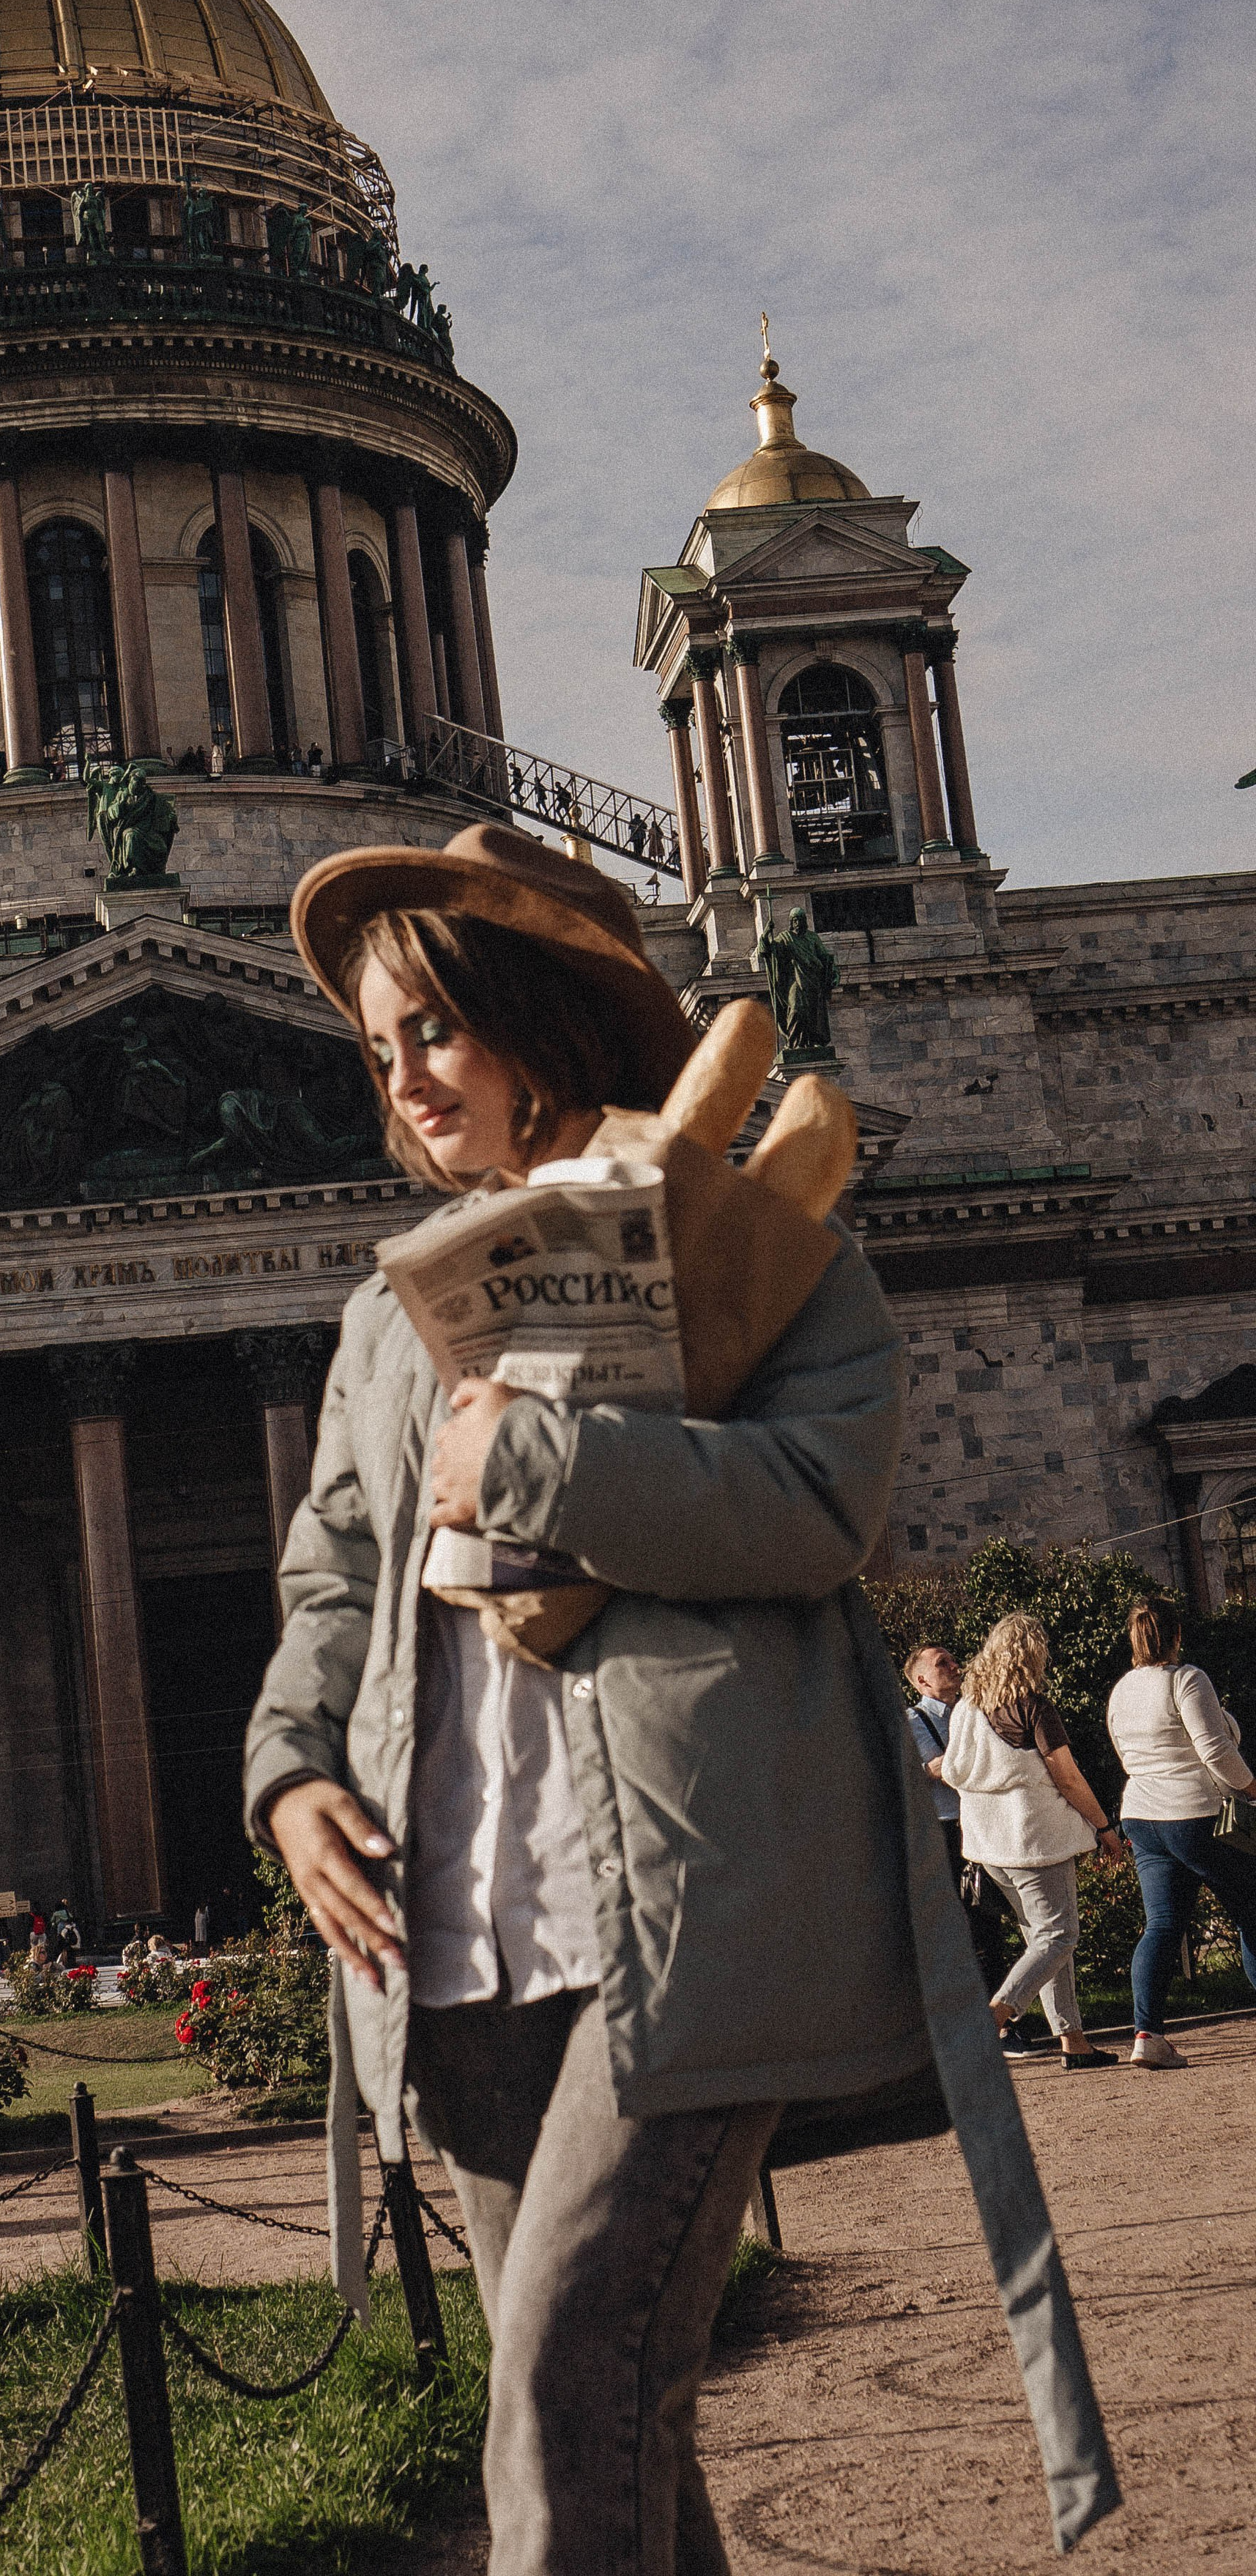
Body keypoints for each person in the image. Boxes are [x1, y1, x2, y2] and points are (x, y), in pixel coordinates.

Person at [244, 822, 1116, 2575]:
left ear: (541, 1016)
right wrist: (285, 1775)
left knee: (563, 2386)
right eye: (373, 1044)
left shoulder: (761, 1256)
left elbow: (816, 1508)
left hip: (680, 1919)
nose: (400, 1076)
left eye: (430, 1026)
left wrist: (540, 1459)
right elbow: (329, 1576)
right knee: (597, 2397)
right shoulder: (379, 1317)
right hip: (453, 1929)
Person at [940, 1613, 1125, 2067]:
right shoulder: (1033, 1707)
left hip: (988, 1843)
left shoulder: (966, 1709)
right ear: (1032, 1655)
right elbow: (1068, 1777)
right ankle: (997, 2014)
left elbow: (953, 1771)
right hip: (1033, 1839)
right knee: (1059, 1936)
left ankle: (1073, 2041)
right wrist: (1104, 1828)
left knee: (1041, 1940)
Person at [1107, 1594, 1256, 2067]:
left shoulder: (1122, 1690)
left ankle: (1147, 2035)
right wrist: (1254, 1789)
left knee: (1163, 1926)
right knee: (1251, 1911)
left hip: (1142, 1816)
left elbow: (1126, 1757)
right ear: (1176, 1634)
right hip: (1195, 1814)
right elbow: (1215, 1752)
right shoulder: (1188, 1679)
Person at [904, 1644, 1028, 2041]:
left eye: (953, 1660)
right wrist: (927, 1769)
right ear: (922, 1679)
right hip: (944, 1834)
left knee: (991, 1922)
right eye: (942, 1664)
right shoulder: (911, 1722)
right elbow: (912, 1777)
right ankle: (984, 2027)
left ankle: (997, 2022)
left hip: (986, 1826)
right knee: (966, 1928)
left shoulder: (979, 1713)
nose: (955, 1666)